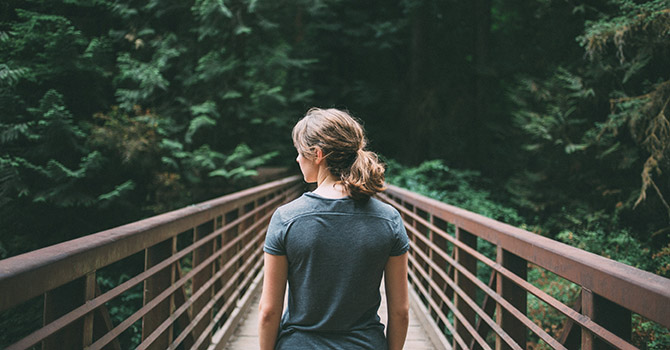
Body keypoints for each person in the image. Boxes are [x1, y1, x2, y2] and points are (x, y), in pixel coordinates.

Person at [258, 107, 410, 350]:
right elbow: (401, 312)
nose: (297, 159)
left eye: (300, 153)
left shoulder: (286, 218)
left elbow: (268, 311)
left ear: (317, 154)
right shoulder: (388, 219)